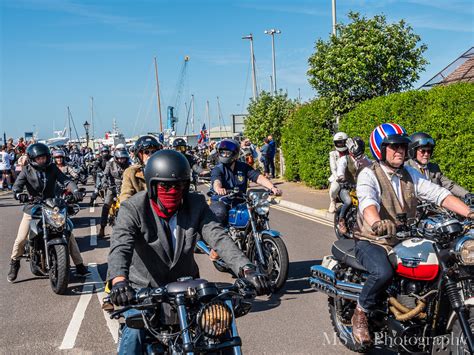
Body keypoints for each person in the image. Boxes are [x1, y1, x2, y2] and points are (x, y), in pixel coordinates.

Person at [107, 149, 271, 354]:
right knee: (134, 336)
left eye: (179, 185)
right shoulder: (133, 208)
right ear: (152, 186)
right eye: (165, 186)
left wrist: (247, 269)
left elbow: (219, 237)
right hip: (145, 290)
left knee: (221, 328)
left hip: (188, 288)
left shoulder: (196, 204)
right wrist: (119, 282)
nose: (173, 191)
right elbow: (120, 246)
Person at [352, 123, 473, 345]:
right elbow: (367, 202)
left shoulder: (410, 174)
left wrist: (470, 213)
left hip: (405, 237)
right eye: (393, 146)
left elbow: (439, 194)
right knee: (382, 272)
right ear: (380, 149)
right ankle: (361, 312)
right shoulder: (369, 174)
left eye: (402, 146)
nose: (399, 150)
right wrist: (377, 222)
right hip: (374, 240)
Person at [8, 143, 89, 282]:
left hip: (52, 206)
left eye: (44, 158)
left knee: (67, 233)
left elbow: (66, 180)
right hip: (32, 208)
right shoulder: (26, 170)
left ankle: (79, 265)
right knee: (21, 239)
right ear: (33, 159)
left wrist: (75, 190)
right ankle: (14, 263)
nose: (42, 160)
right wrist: (19, 194)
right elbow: (16, 187)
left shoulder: (52, 168)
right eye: (39, 158)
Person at [209, 138, 282, 225]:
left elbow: (258, 177)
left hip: (240, 200)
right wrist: (219, 189)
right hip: (221, 200)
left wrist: (272, 187)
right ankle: (219, 237)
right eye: (222, 152)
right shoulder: (218, 169)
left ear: (235, 154)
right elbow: (216, 181)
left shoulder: (243, 167)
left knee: (258, 212)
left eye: (227, 153)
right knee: (220, 213)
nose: (225, 155)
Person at [407, 132, 470, 199]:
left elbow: (448, 184)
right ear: (412, 151)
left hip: (435, 207)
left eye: (429, 151)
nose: (426, 154)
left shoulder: (433, 168)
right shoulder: (406, 168)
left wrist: (467, 194)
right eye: (423, 151)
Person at [335, 137, 371, 234]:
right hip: (346, 188)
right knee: (348, 201)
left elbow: (372, 168)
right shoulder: (344, 159)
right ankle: (341, 221)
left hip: (359, 188)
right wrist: (341, 177)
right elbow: (340, 170)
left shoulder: (364, 159)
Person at [98, 148, 131, 237]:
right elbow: (105, 175)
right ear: (116, 158)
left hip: (125, 187)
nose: (122, 160)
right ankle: (102, 228)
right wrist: (104, 183)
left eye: (123, 158)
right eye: (120, 158)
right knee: (106, 206)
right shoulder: (110, 164)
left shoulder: (129, 166)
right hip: (112, 187)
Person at [119, 135, 162, 203]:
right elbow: (126, 195)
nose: (150, 155)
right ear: (139, 155)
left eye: (153, 152)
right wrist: (128, 210)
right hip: (140, 210)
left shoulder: (163, 169)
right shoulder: (131, 173)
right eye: (146, 152)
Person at [328, 132, 349, 213]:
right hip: (338, 177)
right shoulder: (333, 154)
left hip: (350, 175)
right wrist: (338, 178)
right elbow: (333, 168)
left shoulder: (350, 152)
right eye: (338, 143)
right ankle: (333, 201)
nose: (341, 144)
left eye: (343, 142)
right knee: (334, 188)